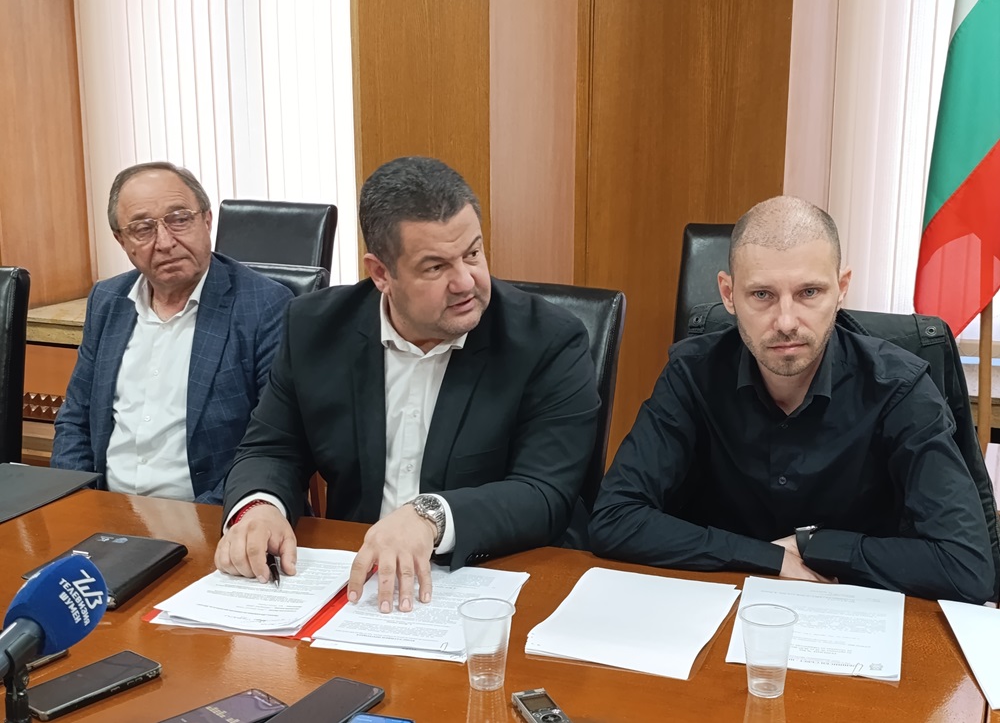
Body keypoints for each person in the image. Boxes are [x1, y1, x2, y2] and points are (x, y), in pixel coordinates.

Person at [215, 156, 600, 613]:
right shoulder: (315, 327)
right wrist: (259, 508)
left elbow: (546, 493)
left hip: (487, 584)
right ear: (381, 273)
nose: (466, 282)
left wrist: (429, 517)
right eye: (435, 267)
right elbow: (272, 447)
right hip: (357, 585)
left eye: (473, 253)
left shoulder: (547, 339)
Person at [589, 195, 995, 604]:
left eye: (809, 292)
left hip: (851, 614)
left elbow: (967, 567)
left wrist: (815, 546)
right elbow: (613, 517)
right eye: (762, 294)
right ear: (728, 293)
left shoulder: (900, 389)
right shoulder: (692, 375)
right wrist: (767, 558)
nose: (785, 322)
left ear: (841, 288)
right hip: (719, 606)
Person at [52, 161, 293, 504]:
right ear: (122, 241)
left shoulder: (264, 305)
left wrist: (201, 519)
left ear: (206, 220)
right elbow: (75, 418)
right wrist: (79, 502)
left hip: (210, 514)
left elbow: (273, 443)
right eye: (143, 229)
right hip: (106, 509)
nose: (165, 242)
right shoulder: (108, 300)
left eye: (179, 219)